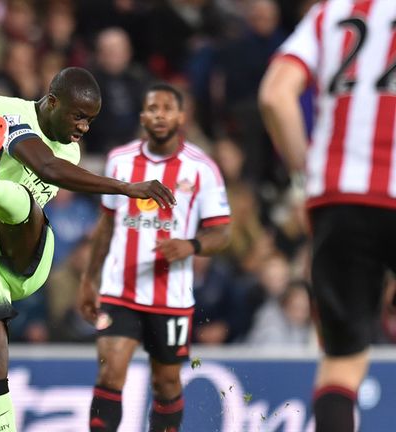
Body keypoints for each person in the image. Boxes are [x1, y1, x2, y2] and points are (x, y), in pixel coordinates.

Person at [0, 67, 176, 432]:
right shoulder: (6, 110)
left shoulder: (70, 152)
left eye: (91, 121)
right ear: (52, 101)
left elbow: (52, 166)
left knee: (27, 206)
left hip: (25, 256)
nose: (84, 128)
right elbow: (45, 165)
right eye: (78, 116)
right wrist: (126, 188)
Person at [258, 1, 396, 431]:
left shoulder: (331, 13)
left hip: (338, 197)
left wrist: (307, 176)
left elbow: (274, 96)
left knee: (341, 362)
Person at [77, 83, 231, 432]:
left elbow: (223, 233)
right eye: (151, 108)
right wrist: (89, 280)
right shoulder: (120, 160)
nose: (159, 114)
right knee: (110, 370)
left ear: (182, 116)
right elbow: (106, 223)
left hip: (171, 296)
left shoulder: (202, 168)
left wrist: (191, 246)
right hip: (120, 290)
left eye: (167, 108)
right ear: (142, 115)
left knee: (166, 384)